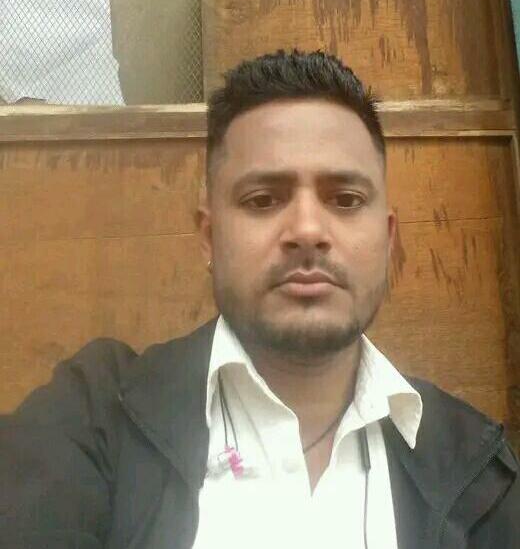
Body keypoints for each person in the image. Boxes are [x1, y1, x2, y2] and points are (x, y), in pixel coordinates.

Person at [0, 50, 518, 549]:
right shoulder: (94, 417)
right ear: (209, 237)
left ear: (387, 239)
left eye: (345, 199)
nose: (308, 230)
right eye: (263, 199)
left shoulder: (476, 472)